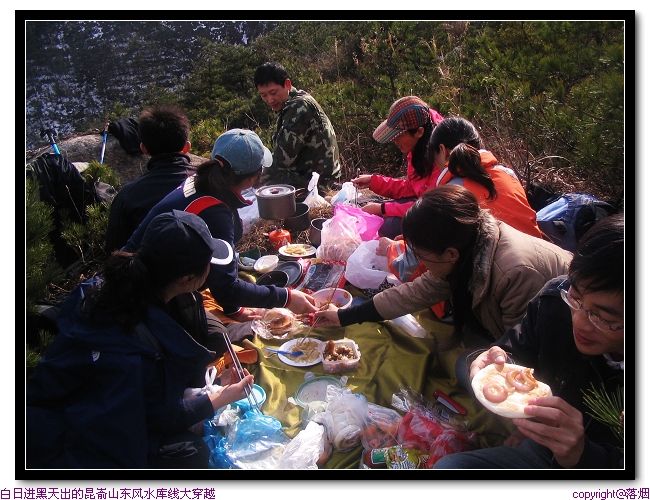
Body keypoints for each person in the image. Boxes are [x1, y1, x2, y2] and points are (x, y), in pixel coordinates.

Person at [26, 210, 254, 468]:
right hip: (72, 445)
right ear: (187, 278)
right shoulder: (131, 349)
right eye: (208, 265)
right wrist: (221, 397)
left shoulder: (113, 285)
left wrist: (206, 384)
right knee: (191, 452)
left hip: (63, 408)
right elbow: (155, 417)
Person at [434, 213, 624, 469]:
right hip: (543, 431)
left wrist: (582, 456)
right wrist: (496, 358)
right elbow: (517, 350)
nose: (579, 321)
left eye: (602, 317)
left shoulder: (515, 269)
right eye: (576, 299)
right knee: (466, 364)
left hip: (584, 462)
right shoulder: (556, 299)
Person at [316, 185, 573, 348]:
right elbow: (412, 294)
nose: (420, 264)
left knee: (465, 367)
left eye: (421, 255)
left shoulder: (516, 273)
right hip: (509, 331)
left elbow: (522, 348)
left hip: (556, 345)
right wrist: (343, 316)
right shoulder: (467, 244)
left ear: (449, 254)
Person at [124, 128, 317, 323]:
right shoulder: (215, 213)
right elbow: (227, 288)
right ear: (254, 176)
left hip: (133, 273)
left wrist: (233, 309)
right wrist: (287, 297)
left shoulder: (202, 182)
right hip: (143, 295)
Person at [105, 105, 195, 253]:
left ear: (144, 149)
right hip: (208, 268)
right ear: (187, 147)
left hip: (154, 272)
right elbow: (235, 231)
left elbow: (115, 250)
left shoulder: (128, 195)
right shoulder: (210, 180)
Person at [352, 95, 444, 239]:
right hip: (427, 205)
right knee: (371, 205)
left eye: (399, 135)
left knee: (388, 226)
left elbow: (430, 207)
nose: (394, 140)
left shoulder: (442, 158)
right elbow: (413, 187)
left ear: (419, 132)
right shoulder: (420, 149)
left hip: (438, 217)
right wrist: (373, 181)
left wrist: (382, 209)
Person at [254, 61, 341, 191]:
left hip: (319, 183)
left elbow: (280, 161)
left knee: (264, 180)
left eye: (273, 92)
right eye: (264, 95)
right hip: (319, 176)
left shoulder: (299, 107)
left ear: (287, 84)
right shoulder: (296, 101)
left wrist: (252, 181)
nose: (270, 100)